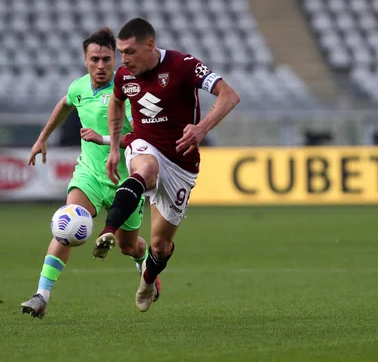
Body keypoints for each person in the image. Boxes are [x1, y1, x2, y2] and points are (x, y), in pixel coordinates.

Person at [93, 18, 240, 312]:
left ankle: (148, 278)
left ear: (150, 45)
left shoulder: (183, 65)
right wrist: (113, 147)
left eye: (130, 52)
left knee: (160, 246)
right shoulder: (124, 76)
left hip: (181, 163)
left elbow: (229, 95)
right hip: (144, 144)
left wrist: (201, 129)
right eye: (121, 53)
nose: (125, 60)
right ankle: (107, 230)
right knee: (144, 170)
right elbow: (117, 102)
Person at [20, 28, 160, 319]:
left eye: (106, 59)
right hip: (90, 175)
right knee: (67, 222)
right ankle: (41, 296)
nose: (100, 66)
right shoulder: (79, 87)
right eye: (94, 59)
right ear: (85, 60)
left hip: (127, 181)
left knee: (128, 246)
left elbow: (141, 139)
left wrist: (104, 138)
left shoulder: (130, 91)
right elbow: (64, 104)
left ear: (116, 60)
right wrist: (43, 137)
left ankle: (144, 261)